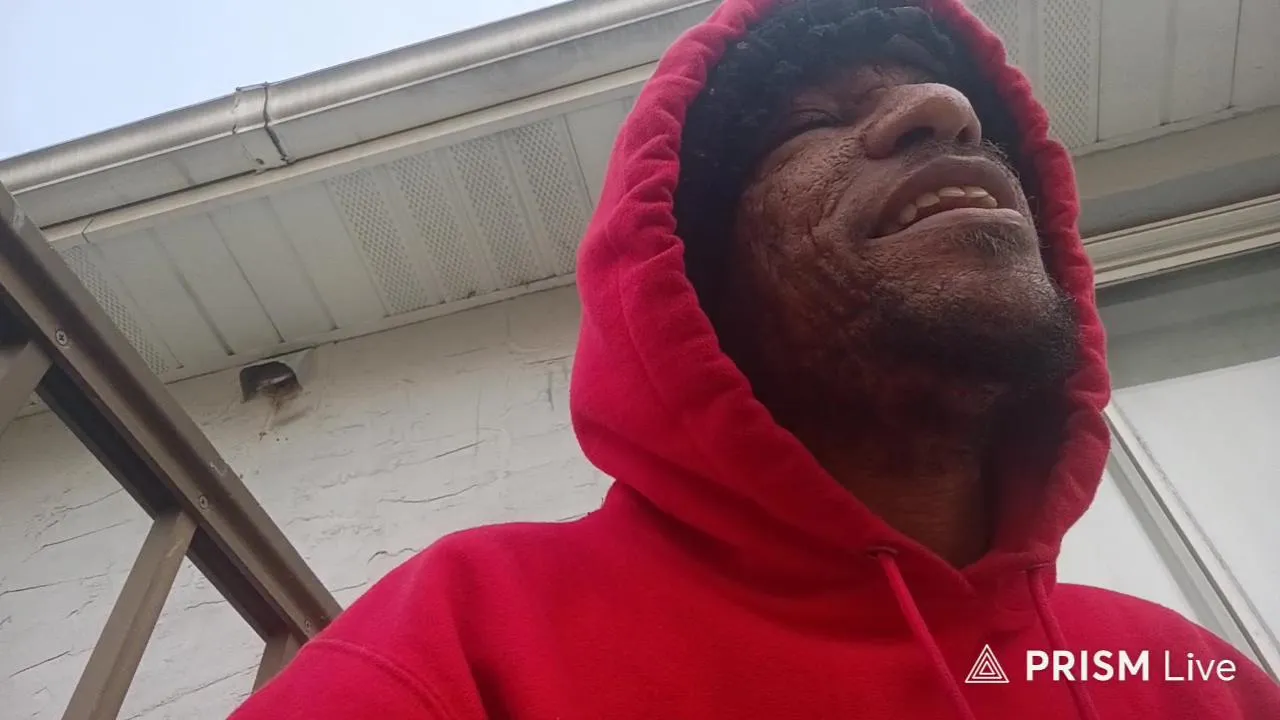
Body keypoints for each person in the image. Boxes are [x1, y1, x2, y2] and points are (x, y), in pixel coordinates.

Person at [231, 1, 1280, 718]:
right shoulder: (474, 628)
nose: (944, 111)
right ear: (694, 287)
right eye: (814, 122)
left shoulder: (1185, 676)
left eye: (951, 103)